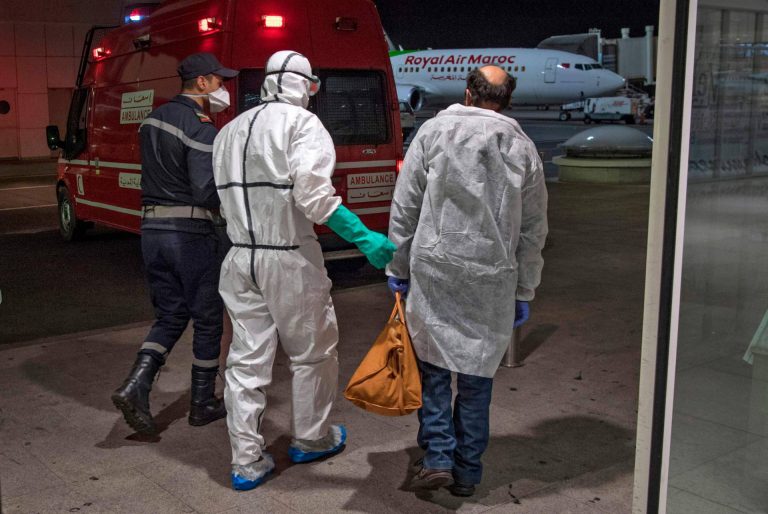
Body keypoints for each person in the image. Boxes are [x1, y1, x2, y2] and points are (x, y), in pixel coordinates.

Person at [212, 50, 396, 491]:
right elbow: (315, 199)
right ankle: (311, 439)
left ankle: (246, 462)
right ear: (304, 84)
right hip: (289, 257)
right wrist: (365, 237)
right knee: (312, 352)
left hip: (239, 258)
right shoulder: (303, 124)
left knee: (245, 364)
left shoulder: (230, 130)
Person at [386, 65, 548, 497]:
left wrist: (397, 266)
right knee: (476, 381)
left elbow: (406, 207)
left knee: (434, 369)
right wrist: (525, 288)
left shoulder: (433, 133)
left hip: (435, 271)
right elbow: (533, 227)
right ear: (507, 100)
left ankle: (438, 456)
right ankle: (468, 472)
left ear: (467, 93)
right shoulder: (521, 146)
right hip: (491, 278)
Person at [111, 52, 239, 435]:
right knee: (208, 318)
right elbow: (204, 189)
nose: (223, 88)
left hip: (152, 231)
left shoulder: (153, 119)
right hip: (190, 235)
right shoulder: (200, 126)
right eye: (219, 81)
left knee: (170, 315)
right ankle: (202, 403)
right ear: (202, 82)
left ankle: (136, 385)